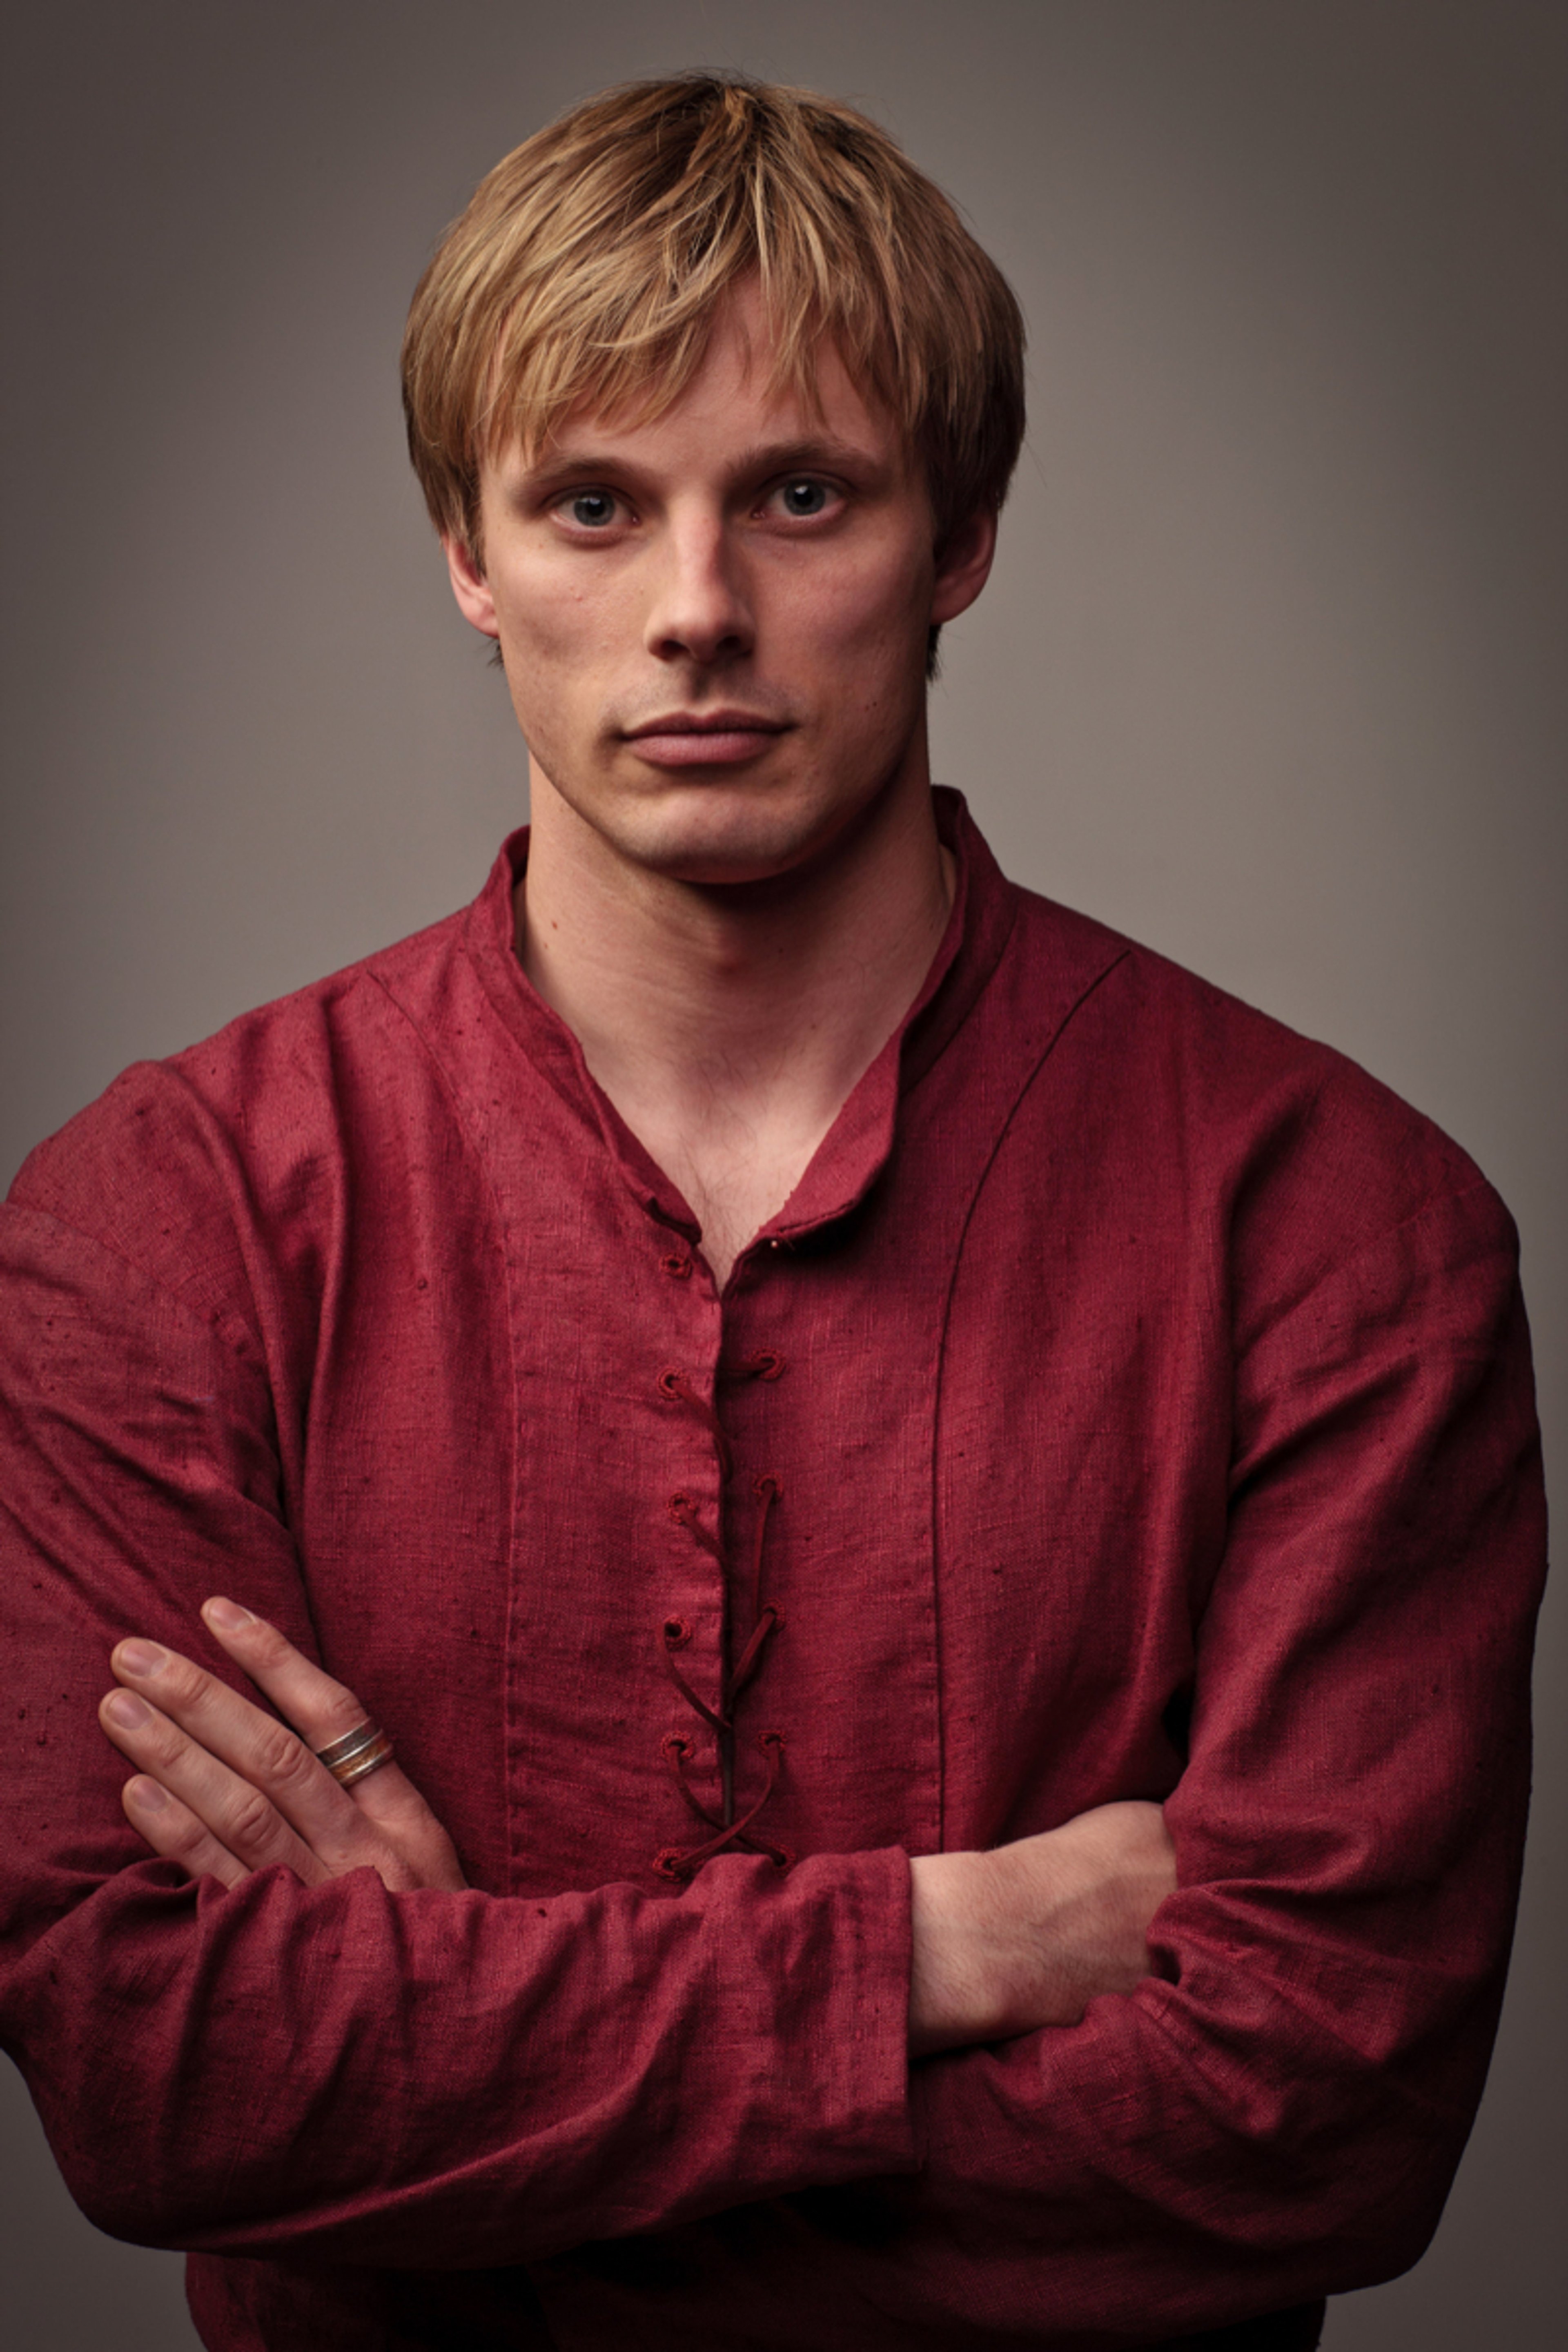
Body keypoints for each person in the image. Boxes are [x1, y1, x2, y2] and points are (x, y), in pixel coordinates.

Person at [0, 72, 1545, 2352]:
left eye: (802, 496)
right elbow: (163, 2082)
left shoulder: (1346, 1232)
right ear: (468, 554)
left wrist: (449, 2082)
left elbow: (1322, 2118)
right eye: (596, 505)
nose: (697, 610)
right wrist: (949, 1949)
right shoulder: (167, 1215)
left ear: (962, 539)